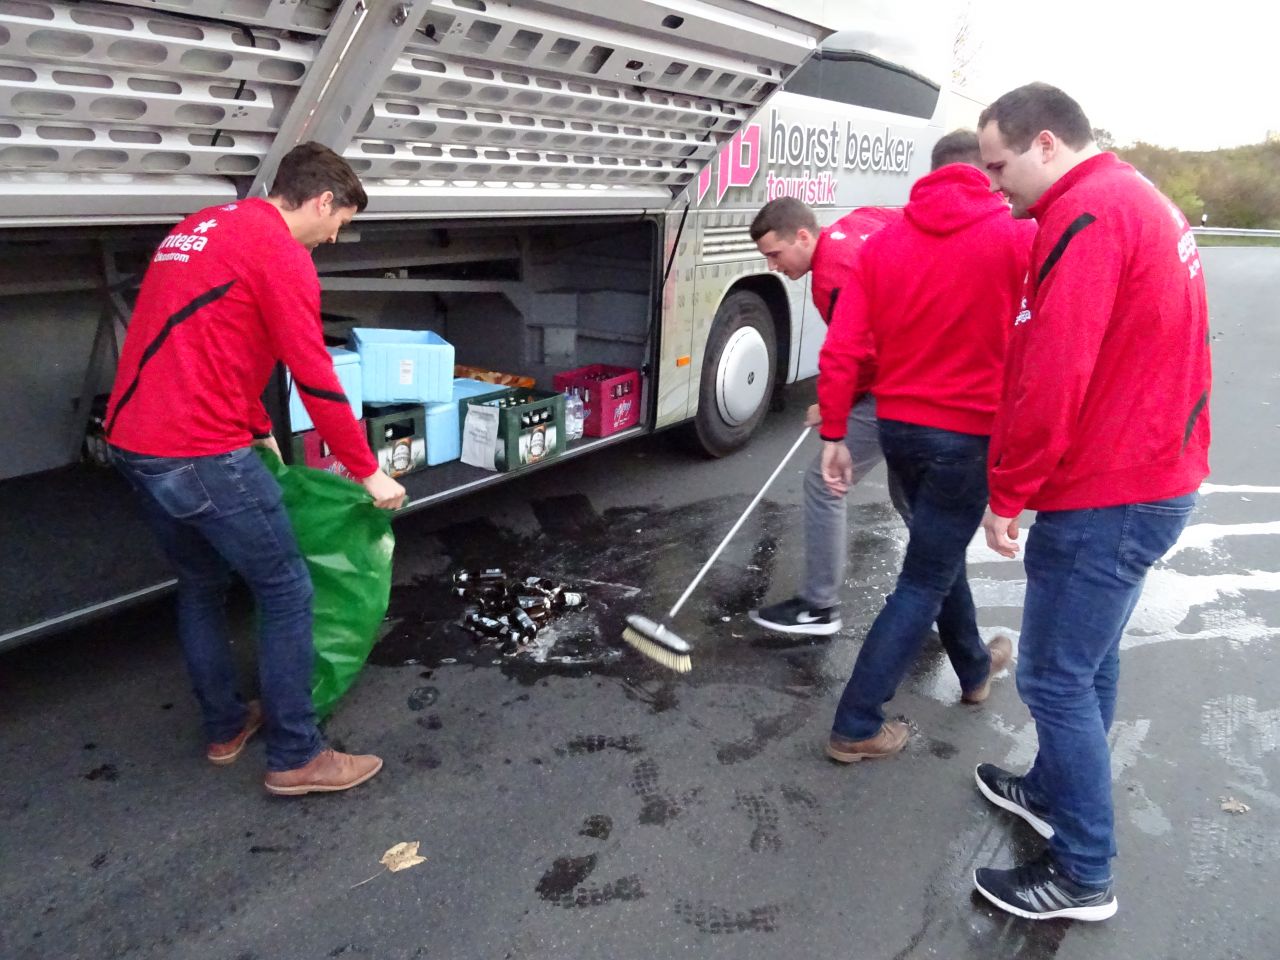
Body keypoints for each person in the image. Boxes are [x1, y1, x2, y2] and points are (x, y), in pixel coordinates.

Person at [972, 83, 1210, 921]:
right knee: (1090, 659)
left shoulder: (1087, 215)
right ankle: (1052, 791)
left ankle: (1083, 872)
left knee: (1052, 674)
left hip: (1113, 488)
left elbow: (1052, 370)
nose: (996, 184)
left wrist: (1009, 488)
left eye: (1000, 165)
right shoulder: (1136, 196)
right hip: (1151, 470)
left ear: (1045, 144)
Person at [105, 142, 406, 796]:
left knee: (201, 582)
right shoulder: (282, 253)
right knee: (288, 591)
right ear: (323, 200)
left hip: (135, 442)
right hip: (200, 452)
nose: (336, 235)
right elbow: (314, 375)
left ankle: (225, 727)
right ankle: (297, 754)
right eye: (341, 221)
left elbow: (208, 339)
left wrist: (259, 426)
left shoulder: (200, 227)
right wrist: (368, 472)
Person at [817, 130, 1033, 762]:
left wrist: (835, 432)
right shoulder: (1017, 238)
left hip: (899, 429)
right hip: (966, 437)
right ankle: (856, 723)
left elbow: (844, 348)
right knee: (923, 576)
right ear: (987, 175)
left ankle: (972, 669)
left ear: (931, 173)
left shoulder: (883, 244)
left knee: (934, 553)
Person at [746, 196, 905, 635]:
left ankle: (820, 607)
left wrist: (833, 408)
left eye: (775, 255)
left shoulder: (831, 276)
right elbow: (903, 217)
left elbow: (859, 355)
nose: (774, 267)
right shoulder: (860, 220)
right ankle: (932, 602)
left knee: (825, 481)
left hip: (896, 384)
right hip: (926, 374)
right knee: (918, 506)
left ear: (802, 236)